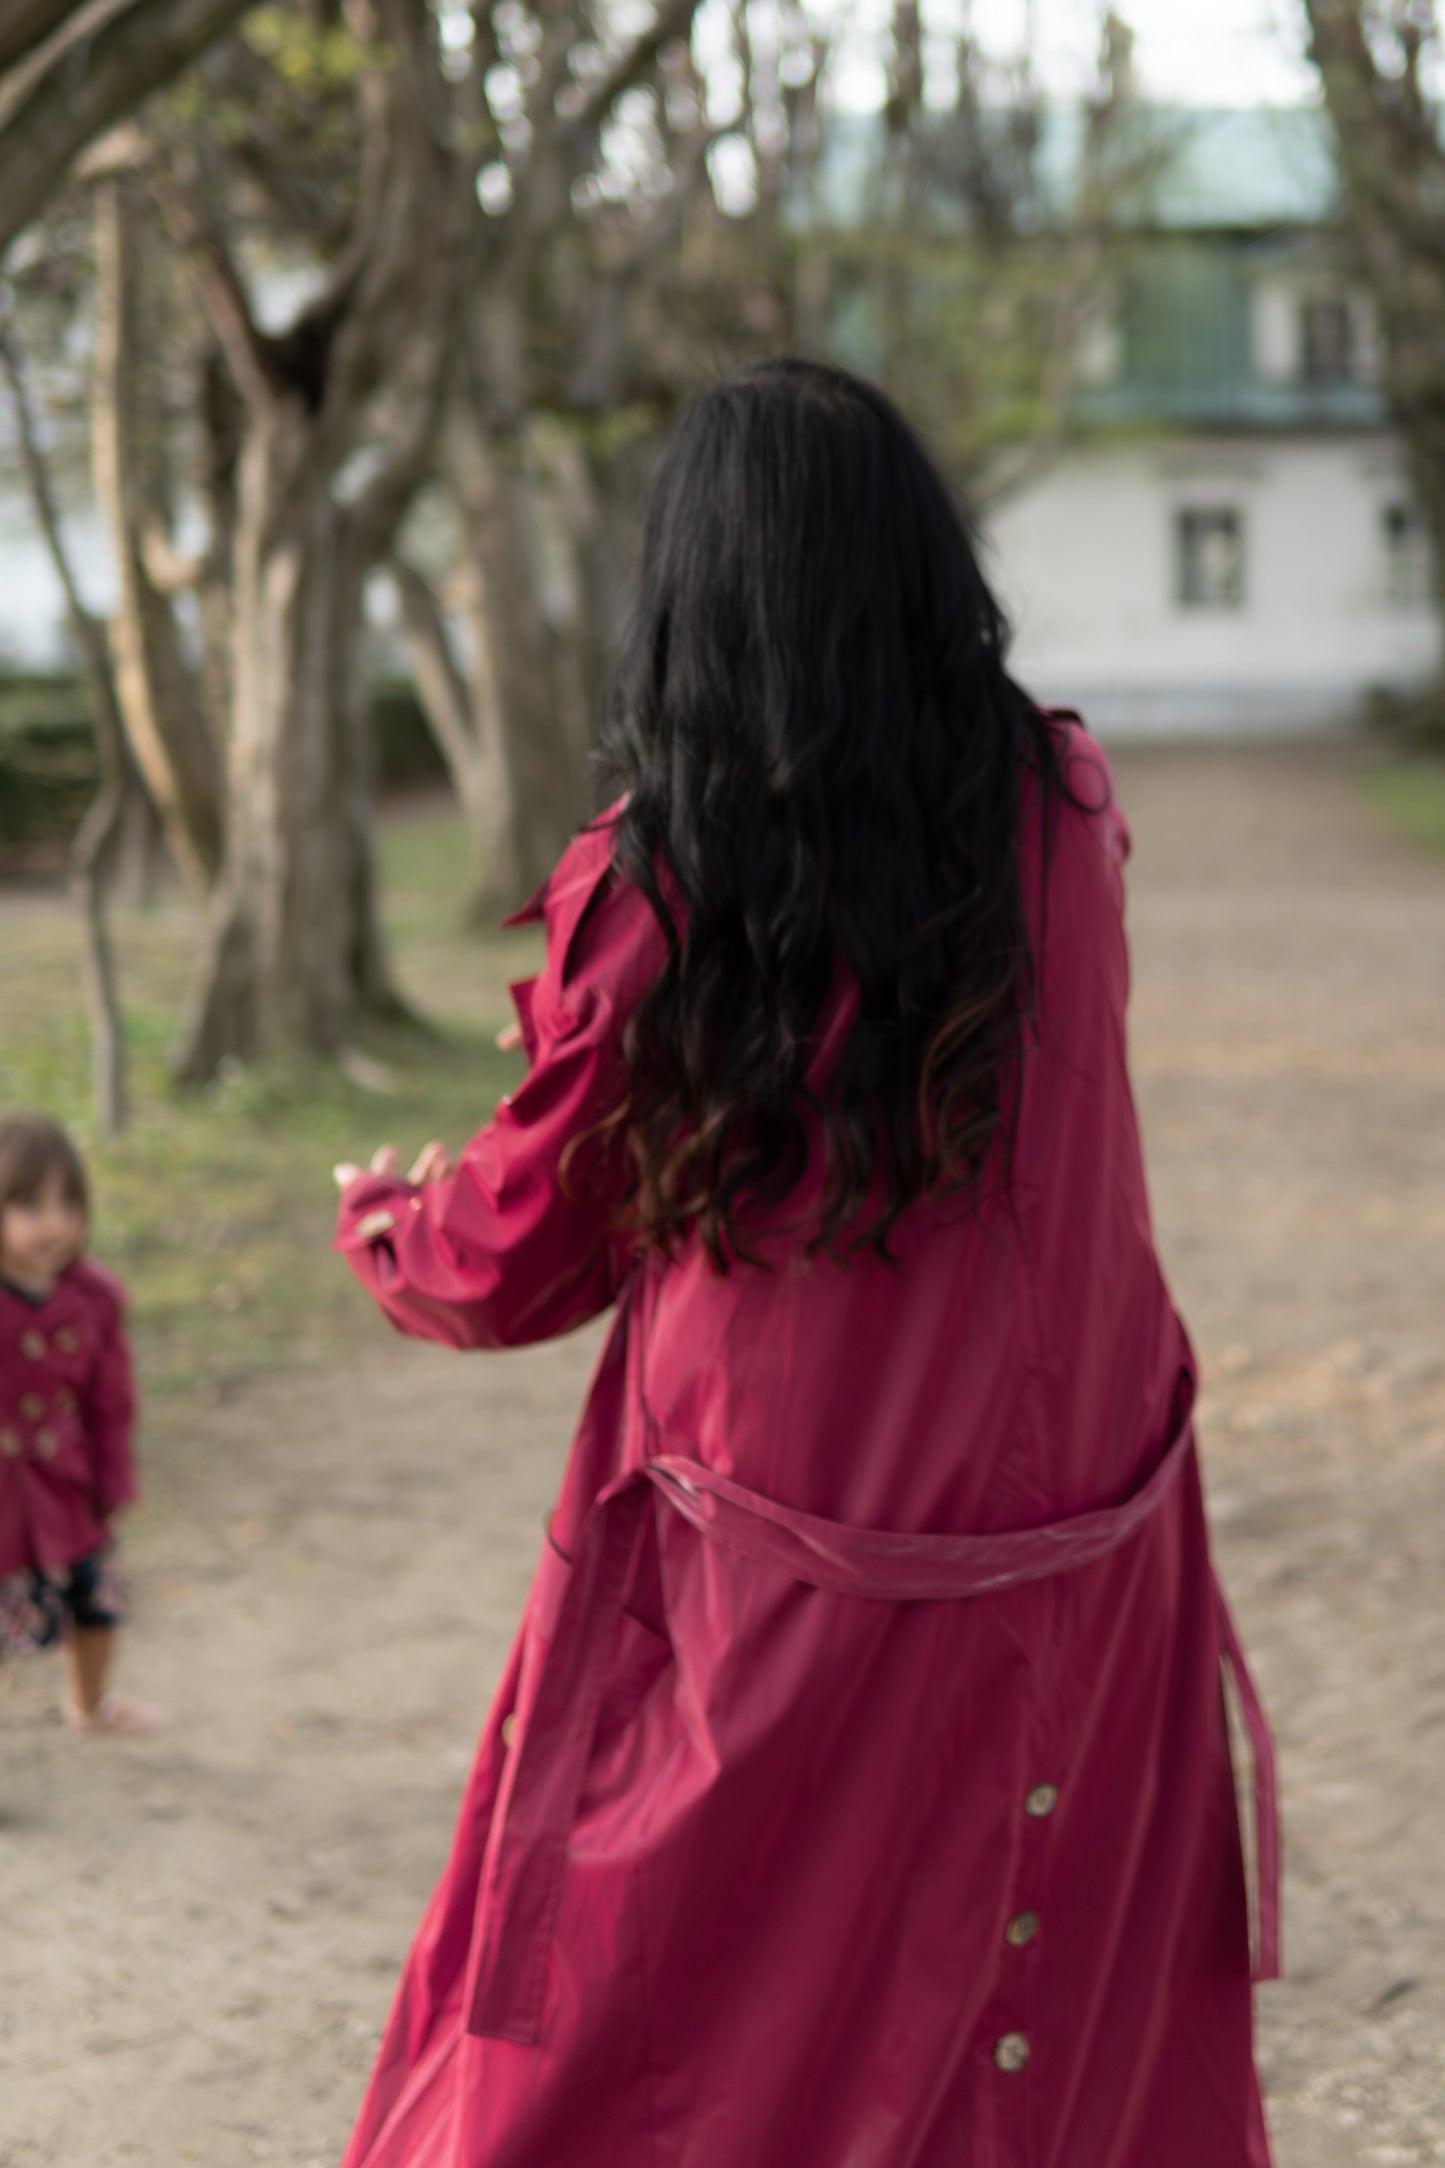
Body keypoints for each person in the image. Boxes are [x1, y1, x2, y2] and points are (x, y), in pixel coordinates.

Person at [332, 359, 1277, 2168]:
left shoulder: (661, 885)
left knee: (673, 2039)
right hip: (1082, 1546)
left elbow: (524, 1249)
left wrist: (391, 1220)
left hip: (790, 1572)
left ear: (692, 598)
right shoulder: (1060, 815)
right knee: (1050, 2033)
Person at [0, 1113, 163, 1732]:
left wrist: (114, 1478)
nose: (56, 1224)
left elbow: (110, 1399)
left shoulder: (93, 1298)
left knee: (96, 1601)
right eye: (31, 1206)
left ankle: (89, 1705)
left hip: (65, 1483)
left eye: (69, 1204)